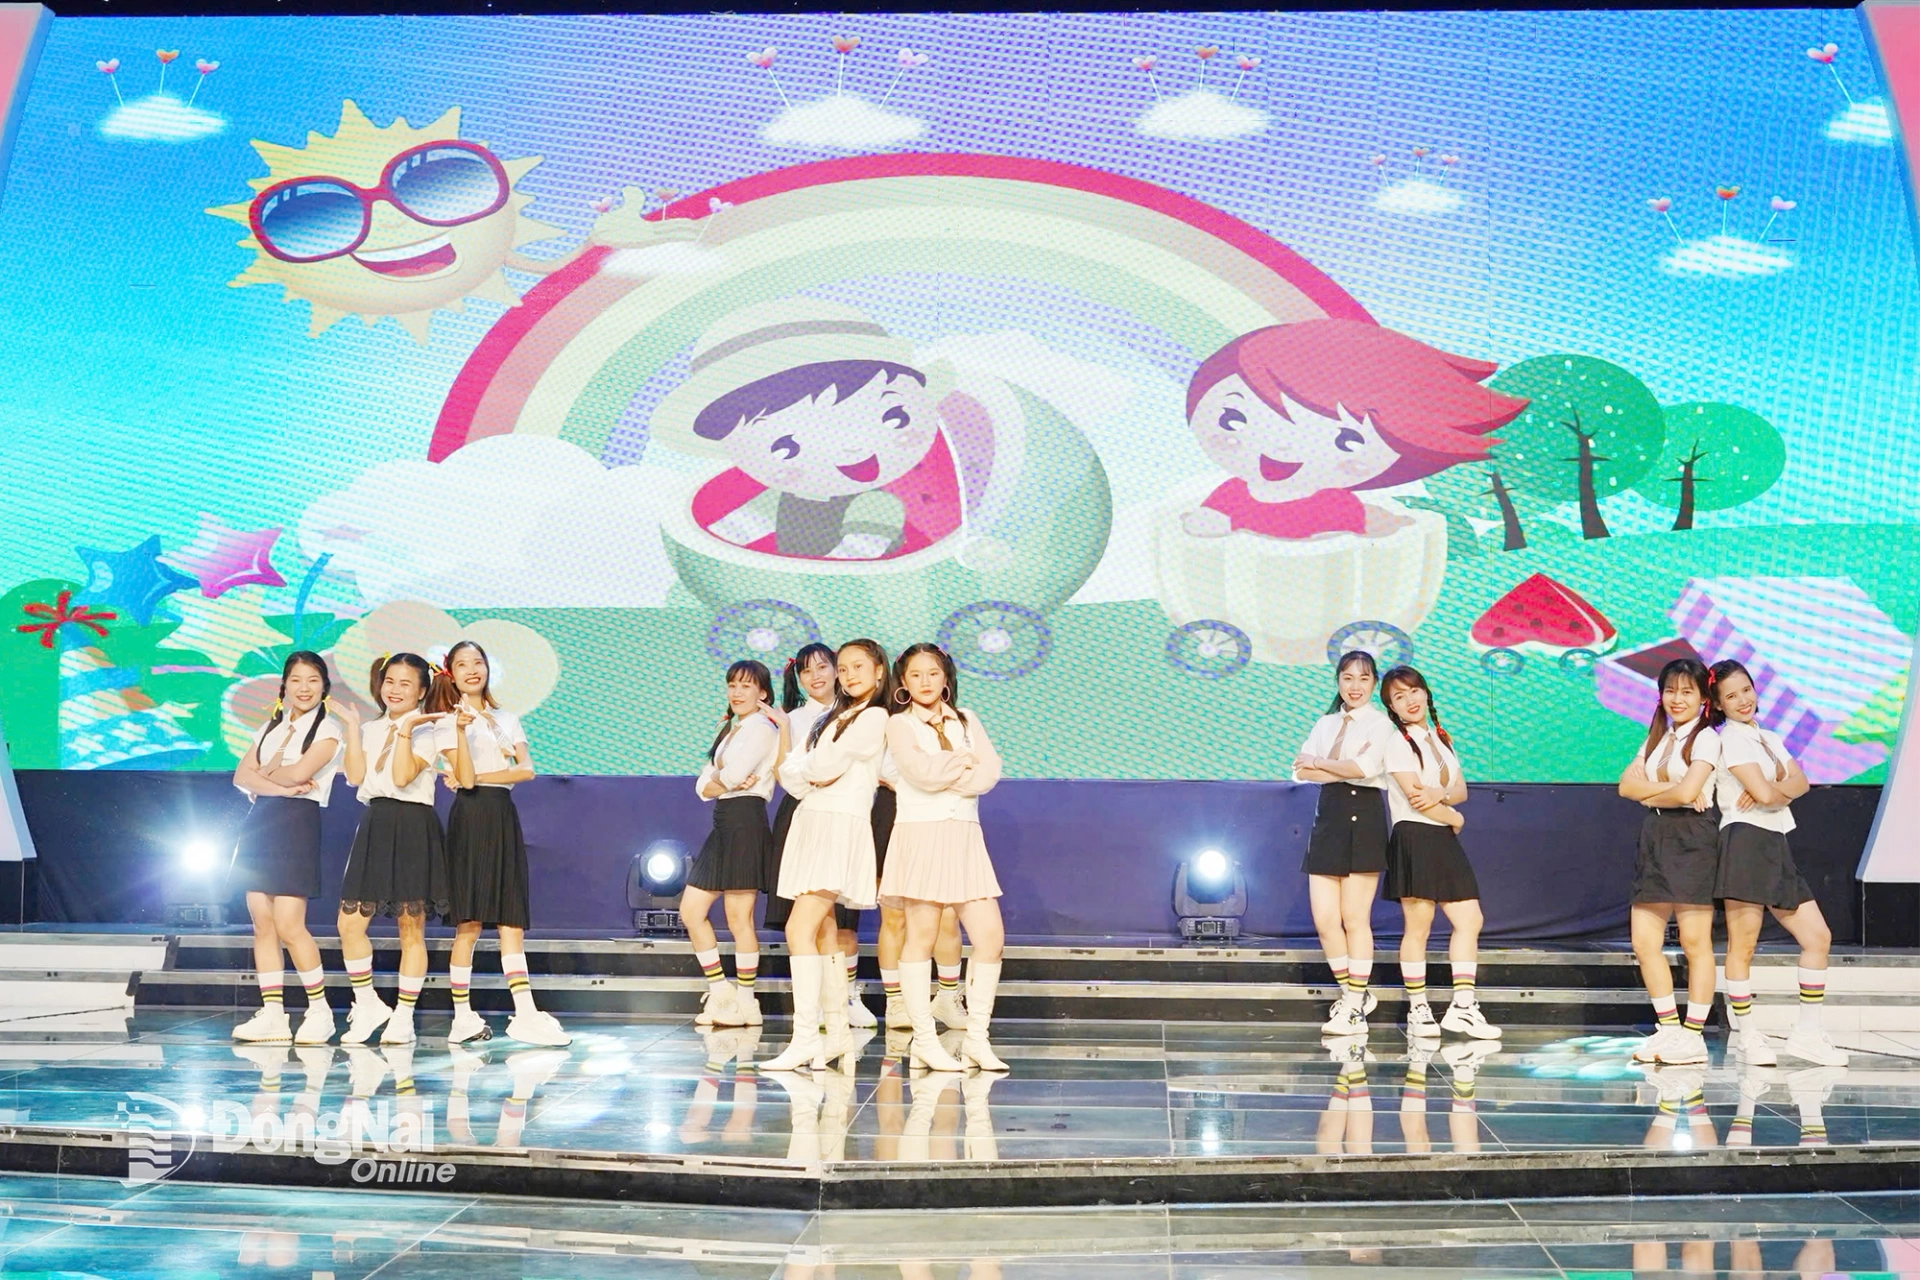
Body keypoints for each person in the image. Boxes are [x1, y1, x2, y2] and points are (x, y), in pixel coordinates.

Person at [1179, 318, 1527, 541]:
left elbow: (1374, 523)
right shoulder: (1232, 493)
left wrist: (1397, 526)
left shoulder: (1336, 502)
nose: (1282, 448)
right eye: (1233, 418)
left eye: (1347, 439)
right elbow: (1208, 519)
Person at [763, 639, 893, 1072]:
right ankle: (835, 1034)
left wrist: (812, 771)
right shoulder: (832, 716)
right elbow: (792, 776)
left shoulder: (875, 716)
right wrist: (811, 770)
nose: (849, 675)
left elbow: (819, 768)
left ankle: (805, 1038)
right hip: (812, 821)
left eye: (859, 667)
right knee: (822, 930)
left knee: (799, 926)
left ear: (879, 671)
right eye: (845, 667)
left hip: (839, 823)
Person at [433, 640, 571, 1048]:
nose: (472, 670)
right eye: (462, 664)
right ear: (451, 673)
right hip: (470, 818)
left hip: (501, 814)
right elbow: (464, 778)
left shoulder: (506, 718)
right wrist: (464, 743)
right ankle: (462, 1016)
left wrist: (478, 776)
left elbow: (526, 770)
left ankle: (525, 1014)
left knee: (512, 919)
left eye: (478, 662)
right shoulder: (446, 722)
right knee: (469, 923)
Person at [880, 643, 1009, 1073]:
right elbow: (919, 773)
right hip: (922, 833)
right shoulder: (899, 724)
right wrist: (960, 763)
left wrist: (948, 771)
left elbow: (990, 772)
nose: (925, 682)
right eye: (915, 675)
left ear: (946, 677)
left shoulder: (967, 719)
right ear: (903, 681)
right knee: (921, 935)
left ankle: (977, 1039)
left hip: (965, 834)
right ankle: (923, 1040)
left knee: (990, 937)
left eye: (932, 673)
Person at [1710, 660, 1846, 1068]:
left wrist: (1773, 789)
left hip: (1775, 841)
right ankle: (1748, 1036)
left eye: (1746, 690)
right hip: (1744, 841)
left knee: (1818, 937)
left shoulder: (1768, 737)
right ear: (1719, 704)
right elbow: (1770, 794)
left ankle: (1807, 1034)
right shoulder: (1730, 739)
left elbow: (1800, 783)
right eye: (1731, 696)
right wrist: (1774, 790)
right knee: (1744, 944)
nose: (1743, 700)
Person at [1378, 665, 1500, 1041]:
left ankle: (1462, 1007)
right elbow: (1417, 798)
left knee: (1470, 919)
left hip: (1441, 836)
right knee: (1419, 926)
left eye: (1414, 691)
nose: (1410, 700)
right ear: (1392, 707)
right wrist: (1454, 816)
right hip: (1414, 834)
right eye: (1399, 697)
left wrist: (1442, 796)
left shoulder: (1441, 738)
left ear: (1426, 693)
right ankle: (1418, 1009)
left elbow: (1459, 789)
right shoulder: (1397, 743)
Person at [229, 651, 344, 1044]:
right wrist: (276, 784)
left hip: (297, 822)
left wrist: (265, 776)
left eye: (313, 680)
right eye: (296, 680)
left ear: (324, 686)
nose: (304, 688)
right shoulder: (269, 728)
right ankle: (273, 1015)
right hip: (261, 821)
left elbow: (298, 773)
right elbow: (241, 776)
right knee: (262, 921)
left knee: (290, 924)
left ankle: (319, 1011)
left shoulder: (328, 730)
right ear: (284, 685)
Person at [334, 652, 448, 1046]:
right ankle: (368, 1003)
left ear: (421, 691)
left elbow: (401, 776)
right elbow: (354, 777)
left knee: (409, 927)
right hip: (376, 821)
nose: (395, 690)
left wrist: (406, 729)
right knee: (349, 924)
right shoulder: (370, 728)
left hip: (413, 823)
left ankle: (403, 1017)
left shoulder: (430, 730)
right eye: (389, 681)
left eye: (405, 683)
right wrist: (353, 728)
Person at [1616, 658, 1721, 1067]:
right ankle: (1670, 1030)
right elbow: (1625, 787)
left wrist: (1654, 792)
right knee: (1644, 942)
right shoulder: (1658, 737)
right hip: (1656, 834)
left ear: (1703, 698)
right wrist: (1669, 790)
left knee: (1696, 943)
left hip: (1694, 837)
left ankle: (1693, 1036)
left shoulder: (1707, 738)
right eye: (1670, 690)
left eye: (1687, 691)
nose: (1677, 699)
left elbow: (1688, 794)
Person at [1293, 650, 1393, 1037]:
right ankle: (1355, 995)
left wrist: (1322, 763)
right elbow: (1300, 771)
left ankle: (1352, 1008)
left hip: (1364, 817)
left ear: (1374, 684)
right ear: (1338, 681)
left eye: (1364, 678)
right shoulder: (1326, 722)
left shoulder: (1381, 724)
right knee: (1324, 920)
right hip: (1328, 819)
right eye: (1348, 678)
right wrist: (1334, 768)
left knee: (1355, 918)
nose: (1355, 686)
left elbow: (1364, 769)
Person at [685, 660, 785, 1029]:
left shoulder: (762, 729)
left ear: (763, 693)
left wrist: (720, 780)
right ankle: (721, 992)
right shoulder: (731, 729)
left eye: (746, 686)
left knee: (739, 918)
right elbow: (703, 786)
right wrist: (720, 780)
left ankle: (746, 1002)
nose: (737, 692)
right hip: (723, 822)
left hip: (746, 821)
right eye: (732, 685)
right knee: (691, 911)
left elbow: (733, 777)